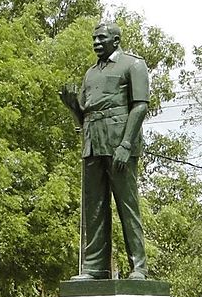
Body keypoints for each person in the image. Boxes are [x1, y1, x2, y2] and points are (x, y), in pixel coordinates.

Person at [59, 21, 150, 280]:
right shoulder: (91, 73)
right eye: (94, 39)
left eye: (101, 38)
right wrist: (72, 106)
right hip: (92, 144)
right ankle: (96, 267)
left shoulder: (133, 64)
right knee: (94, 208)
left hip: (119, 144)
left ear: (116, 40)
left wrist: (125, 145)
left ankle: (139, 267)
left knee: (127, 206)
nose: (96, 43)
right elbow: (86, 115)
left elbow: (140, 106)